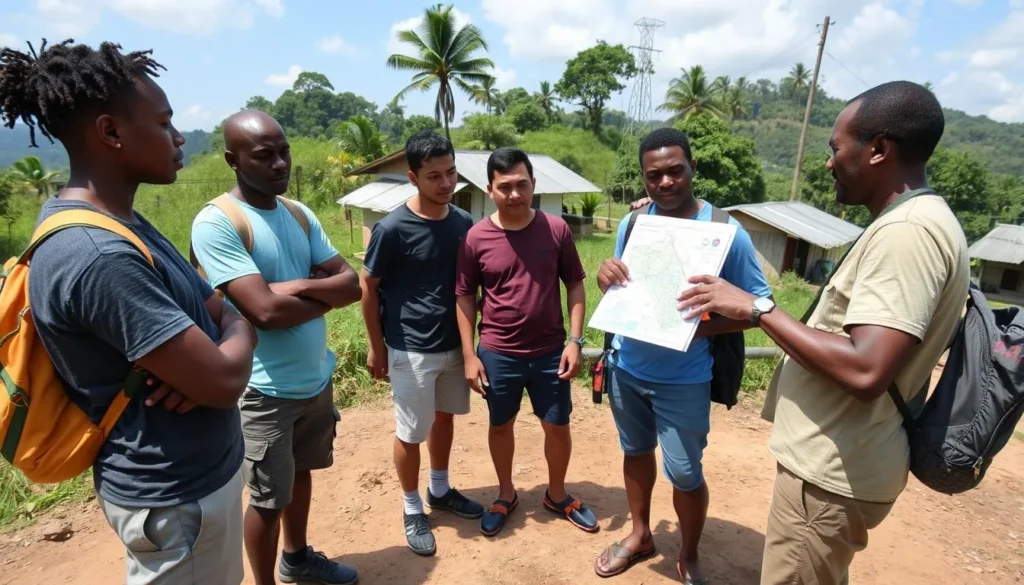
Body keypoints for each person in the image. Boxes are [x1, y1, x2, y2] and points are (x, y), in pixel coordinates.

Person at [676, 81, 969, 585]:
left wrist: (757, 307)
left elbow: (865, 367)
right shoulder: (911, 222)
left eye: (837, 148)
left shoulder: (907, 234)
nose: (829, 162)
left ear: (879, 149)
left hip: (834, 473)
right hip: (837, 463)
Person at [1, 39, 257, 584]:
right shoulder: (98, 255)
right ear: (111, 132)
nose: (179, 136)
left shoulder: (124, 224)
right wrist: (230, 337)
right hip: (175, 498)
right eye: (164, 123)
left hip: (195, 483)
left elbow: (220, 309)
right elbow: (226, 378)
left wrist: (227, 329)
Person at [190, 110, 362, 585]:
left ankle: (298, 558)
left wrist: (290, 286)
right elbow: (262, 312)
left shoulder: (299, 214)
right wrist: (311, 295)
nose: (280, 164)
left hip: (313, 377)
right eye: (265, 156)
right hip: (262, 390)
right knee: (266, 500)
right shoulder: (218, 223)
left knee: (300, 474)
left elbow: (351, 287)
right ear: (233, 159)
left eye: (284, 152)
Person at [593, 128, 771, 584]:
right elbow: (620, 285)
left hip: (685, 378)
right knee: (635, 453)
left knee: (686, 473)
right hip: (627, 366)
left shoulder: (727, 233)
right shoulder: (634, 225)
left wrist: (702, 328)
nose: (666, 183)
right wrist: (604, 276)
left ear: (692, 168)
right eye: (655, 176)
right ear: (644, 179)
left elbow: (759, 307)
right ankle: (639, 535)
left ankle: (689, 555)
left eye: (675, 171)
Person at [455, 148, 595, 537]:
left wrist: (575, 341)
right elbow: (465, 297)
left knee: (557, 426)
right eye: (505, 187)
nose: (514, 194)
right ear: (490, 189)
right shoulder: (476, 237)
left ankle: (557, 494)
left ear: (534, 184)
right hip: (498, 353)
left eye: (522, 184)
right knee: (501, 424)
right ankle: (505, 495)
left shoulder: (556, 229)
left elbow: (576, 284)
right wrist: (470, 355)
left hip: (552, 351)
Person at [359, 130, 484, 556]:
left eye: (450, 173)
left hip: (454, 343)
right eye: (434, 176)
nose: (446, 184)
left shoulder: (463, 223)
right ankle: (412, 506)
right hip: (410, 347)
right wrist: (377, 347)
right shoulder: (392, 229)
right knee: (411, 431)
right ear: (413, 177)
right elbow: (368, 286)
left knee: (444, 418)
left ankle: (440, 489)